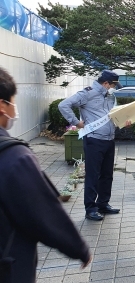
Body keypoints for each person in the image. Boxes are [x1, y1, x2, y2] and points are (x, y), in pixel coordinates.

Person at [0, 67, 92, 282]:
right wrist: (77, 247)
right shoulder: (14, 157)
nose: (14, 109)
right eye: (12, 102)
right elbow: (42, 211)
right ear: (2, 106)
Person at [59, 70, 130, 221]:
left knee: (107, 174)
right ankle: (90, 208)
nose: (113, 88)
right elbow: (64, 105)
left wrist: (124, 122)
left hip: (109, 139)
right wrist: (76, 122)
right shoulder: (87, 94)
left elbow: (113, 116)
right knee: (93, 175)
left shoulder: (110, 96)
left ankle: (103, 204)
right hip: (94, 140)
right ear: (105, 83)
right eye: (112, 85)